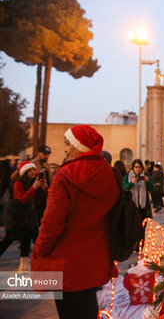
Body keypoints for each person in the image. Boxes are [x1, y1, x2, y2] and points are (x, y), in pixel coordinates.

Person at [31, 125, 119, 319]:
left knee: (69, 312)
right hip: (96, 258)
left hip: (66, 262)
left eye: (68, 144)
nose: (65, 149)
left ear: (81, 146)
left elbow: (51, 223)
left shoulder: (65, 175)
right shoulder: (109, 174)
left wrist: (40, 249)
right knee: (88, 309)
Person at [0, 161, 42, 271]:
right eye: (30, 170)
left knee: (27, 239)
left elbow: (37, 197)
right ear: (24, 172)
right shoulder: (18, 183)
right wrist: (34, 188)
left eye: (33, 169)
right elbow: (22, 199)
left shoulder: (33, 181)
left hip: (28, 217)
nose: (33, 172)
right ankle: (24, 265)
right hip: (16, 218)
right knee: (8, 239)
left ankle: (24, 265)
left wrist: (43, 187)